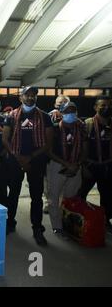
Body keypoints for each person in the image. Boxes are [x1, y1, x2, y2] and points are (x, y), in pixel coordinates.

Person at [2, 86, 53, 246]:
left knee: (36, 196)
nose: (30, 98)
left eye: (33, 96)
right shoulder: (11, 116)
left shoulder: (45, 117)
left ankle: (37, 228)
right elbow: (5, 139)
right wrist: (18, 158)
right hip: (15, 160)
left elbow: (49, 142)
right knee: (14, 193)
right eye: (27, 95)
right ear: (21, 97)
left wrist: (29, 157)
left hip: (36, 161)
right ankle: (10, 223)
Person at [47, 102, 85, 235]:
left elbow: (85, 148)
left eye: (73, 111)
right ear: (62, 113)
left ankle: (67, 222)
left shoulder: (80, 127)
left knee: (70, 196)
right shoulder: (55, 128)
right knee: (54, 196)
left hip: (75, 165)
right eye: (67, 111)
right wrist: (66, 163)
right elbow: (49, 151)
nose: (71, 114)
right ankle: (57, 226)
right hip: (57, 165)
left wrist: (77, 163)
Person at [78, 95, 112, 234]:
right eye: (102, 105)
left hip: (108, 166)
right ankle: (80, 221)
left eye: (109, 105)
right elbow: (79, 148)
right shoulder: (87, 124)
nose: (106, 107)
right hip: (90, 166)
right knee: (81, 195)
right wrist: (83, 166)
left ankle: (105, 221)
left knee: (108, 197)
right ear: (95, 107)